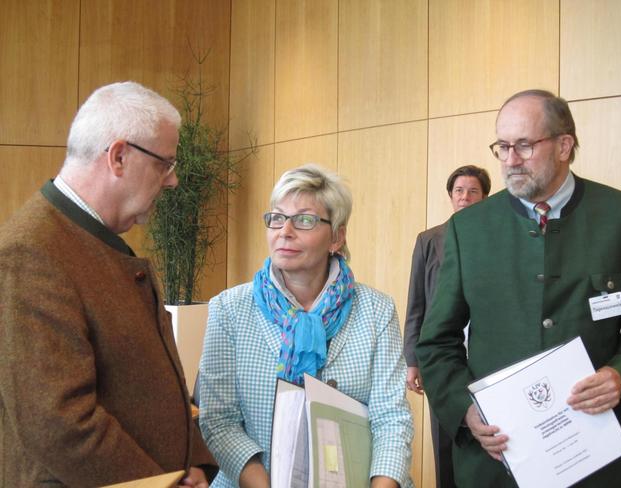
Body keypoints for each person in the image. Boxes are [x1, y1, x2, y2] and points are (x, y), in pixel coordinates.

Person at [415, 89, 621, 487]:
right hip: (495, 462)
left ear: (564, 145)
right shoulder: (467, 230)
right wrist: (466, 411)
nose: (510, 160)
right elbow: (437, 342)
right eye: (502, 147)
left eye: (524, 145)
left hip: (592, 459)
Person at [0, 81, 217, 486]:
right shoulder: (30, 253)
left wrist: (193, 463)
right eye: (164, 164)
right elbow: (60, 422)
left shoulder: (81, 239)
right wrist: (163, 483)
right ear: (118, 157)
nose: (171, 181)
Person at [199, 164, 414, 488]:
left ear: (337, 237)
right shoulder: (229, 309)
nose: (285, 231)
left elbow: (392, 420)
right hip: (254, 482)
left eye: (304, 220)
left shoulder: (375, 310)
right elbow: (220, 421)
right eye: (276, 218)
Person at [403, 164, 490, 488]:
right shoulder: (429, 240)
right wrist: (413, 360)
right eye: (459, 191)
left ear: (485, 197)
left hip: (487, 358)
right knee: (444, 439)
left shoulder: (497, 240)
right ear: (451, 197)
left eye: (473, 191)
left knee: (491, 438)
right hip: (442, 359)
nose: (465, 197)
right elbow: (416, 305)